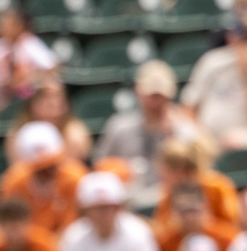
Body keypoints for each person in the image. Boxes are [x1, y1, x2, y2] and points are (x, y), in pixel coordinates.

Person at [94, 61, 200, 210]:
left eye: (159, 95)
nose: (155, 102)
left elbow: (195, 177)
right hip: (127, 205)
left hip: (171, 205)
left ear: (170, 93)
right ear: (139, 92)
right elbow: (101, 168)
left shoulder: (184, 132)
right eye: (151, 95)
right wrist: (120, 171)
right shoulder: (119, 127)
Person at [58, 171, 159, 251]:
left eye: (110, 207)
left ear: (119, 208)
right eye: (97, 208)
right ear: (84, 211)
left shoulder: (138, 234)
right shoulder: (73, 236)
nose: (105, 214)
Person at [0, 121, 88, 234]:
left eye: (52, 164)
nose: (48, 170)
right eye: (41, 168)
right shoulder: (14, 182)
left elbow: (83, 226)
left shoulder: (75, 178)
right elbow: (6, 226)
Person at [180, 7, 247, 150]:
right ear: (232, 38)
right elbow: (187, 110)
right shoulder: (213, 62)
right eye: (244, 38)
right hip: (206, 147)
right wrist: (201, 138)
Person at [153, 182, 239, 251]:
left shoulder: (228, 239)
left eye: (193, 210)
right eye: (183, 211)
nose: (189, 217)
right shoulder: (164, 244)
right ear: (173, 211)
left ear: (205, 207)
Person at [0, 6, 56, 109]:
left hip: (28, 97)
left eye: (7, 23)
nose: (2, 26)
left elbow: (53, 66)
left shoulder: (29, 43)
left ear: (19, 25)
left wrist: (28, 77)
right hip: (3, 96)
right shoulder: (2, 45)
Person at [153, 137, 239, 231]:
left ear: (181, 171)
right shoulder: (170, 195)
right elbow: (161, 230)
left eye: (165, 176)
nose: (163, 180)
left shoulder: (216, 187)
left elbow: (232, 226)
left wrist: (202, 223)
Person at [5, 83, 91, 163]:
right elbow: (19, 170)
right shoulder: (18, 135)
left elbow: (73, 171)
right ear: (32, 105)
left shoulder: (75, 134)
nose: (54, 111)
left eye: (59, 104)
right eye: (48, 105)